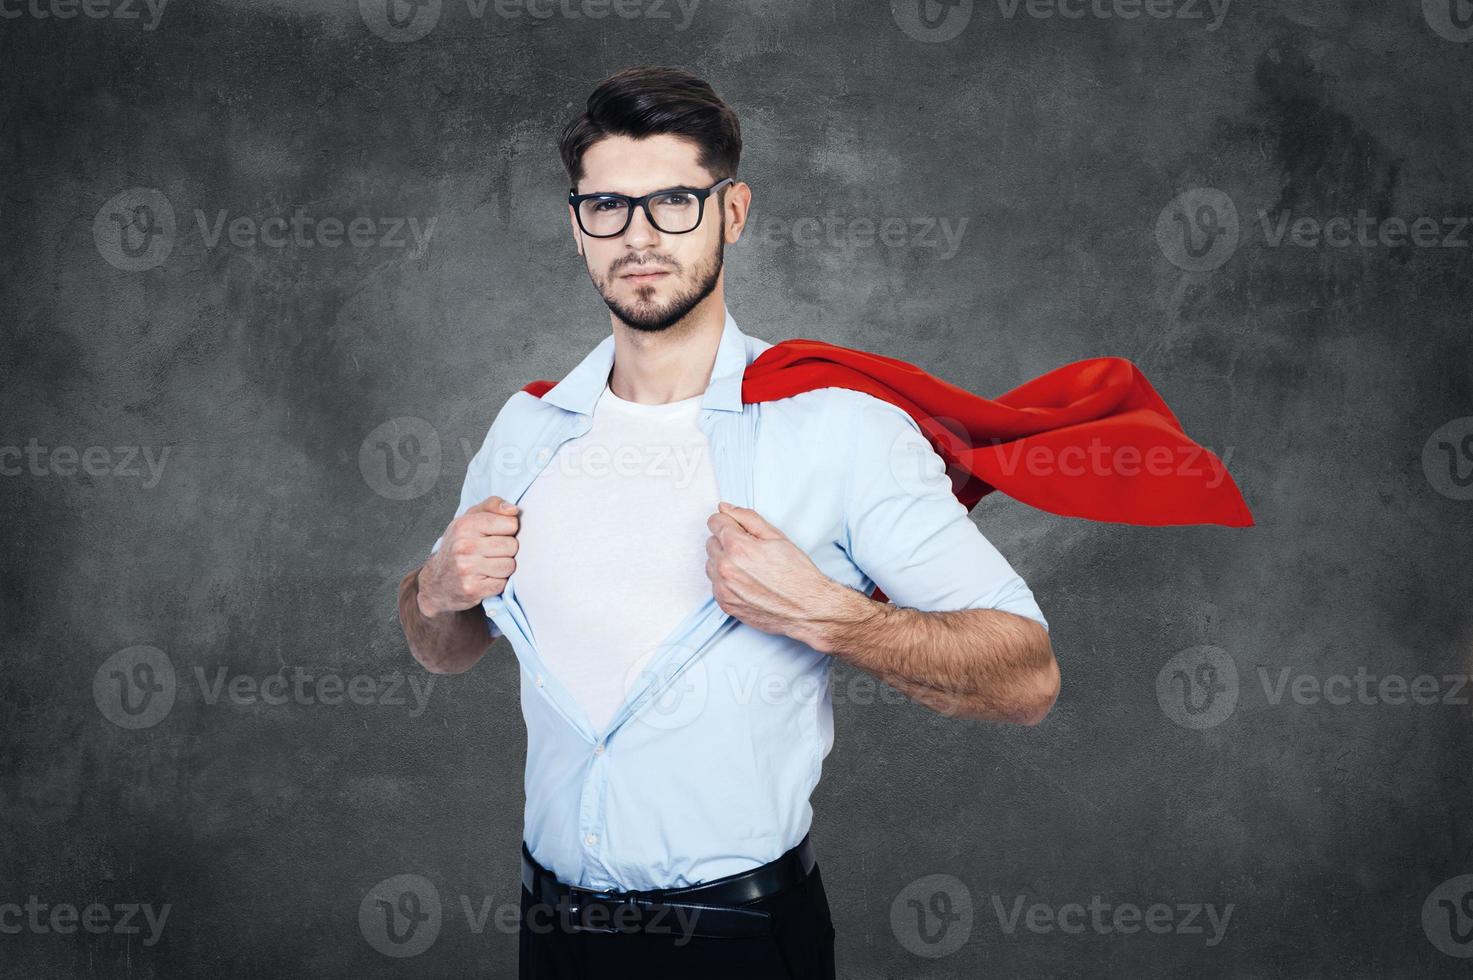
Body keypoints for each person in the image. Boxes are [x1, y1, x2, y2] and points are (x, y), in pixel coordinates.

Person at [397, 65, 1059, 980]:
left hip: (740, 941)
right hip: (552, 935)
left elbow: (1026, 678)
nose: (637, 238)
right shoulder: (528, 428)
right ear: (576, 227)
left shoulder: (839, 431)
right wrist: (435, 589)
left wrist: (825, 613)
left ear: (731, 211)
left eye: (672, 202)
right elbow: (442, 645)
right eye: (607, 209)